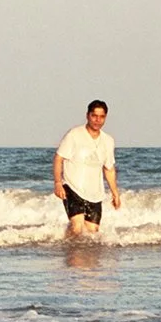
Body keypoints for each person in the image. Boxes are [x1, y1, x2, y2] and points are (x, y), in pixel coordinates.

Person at [53, 100, 121, 235]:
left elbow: (109, 169)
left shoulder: (108, 141)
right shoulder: (74, 134)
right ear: (87, 115)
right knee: (77, 227)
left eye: (101, 117)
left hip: (95, 193)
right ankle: (70, 253)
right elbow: (58, 158)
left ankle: (66, 242)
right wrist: (58, 183)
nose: (97, 120)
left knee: (92, 232)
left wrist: (115, 193)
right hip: (72, 188)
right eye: (94, 116)